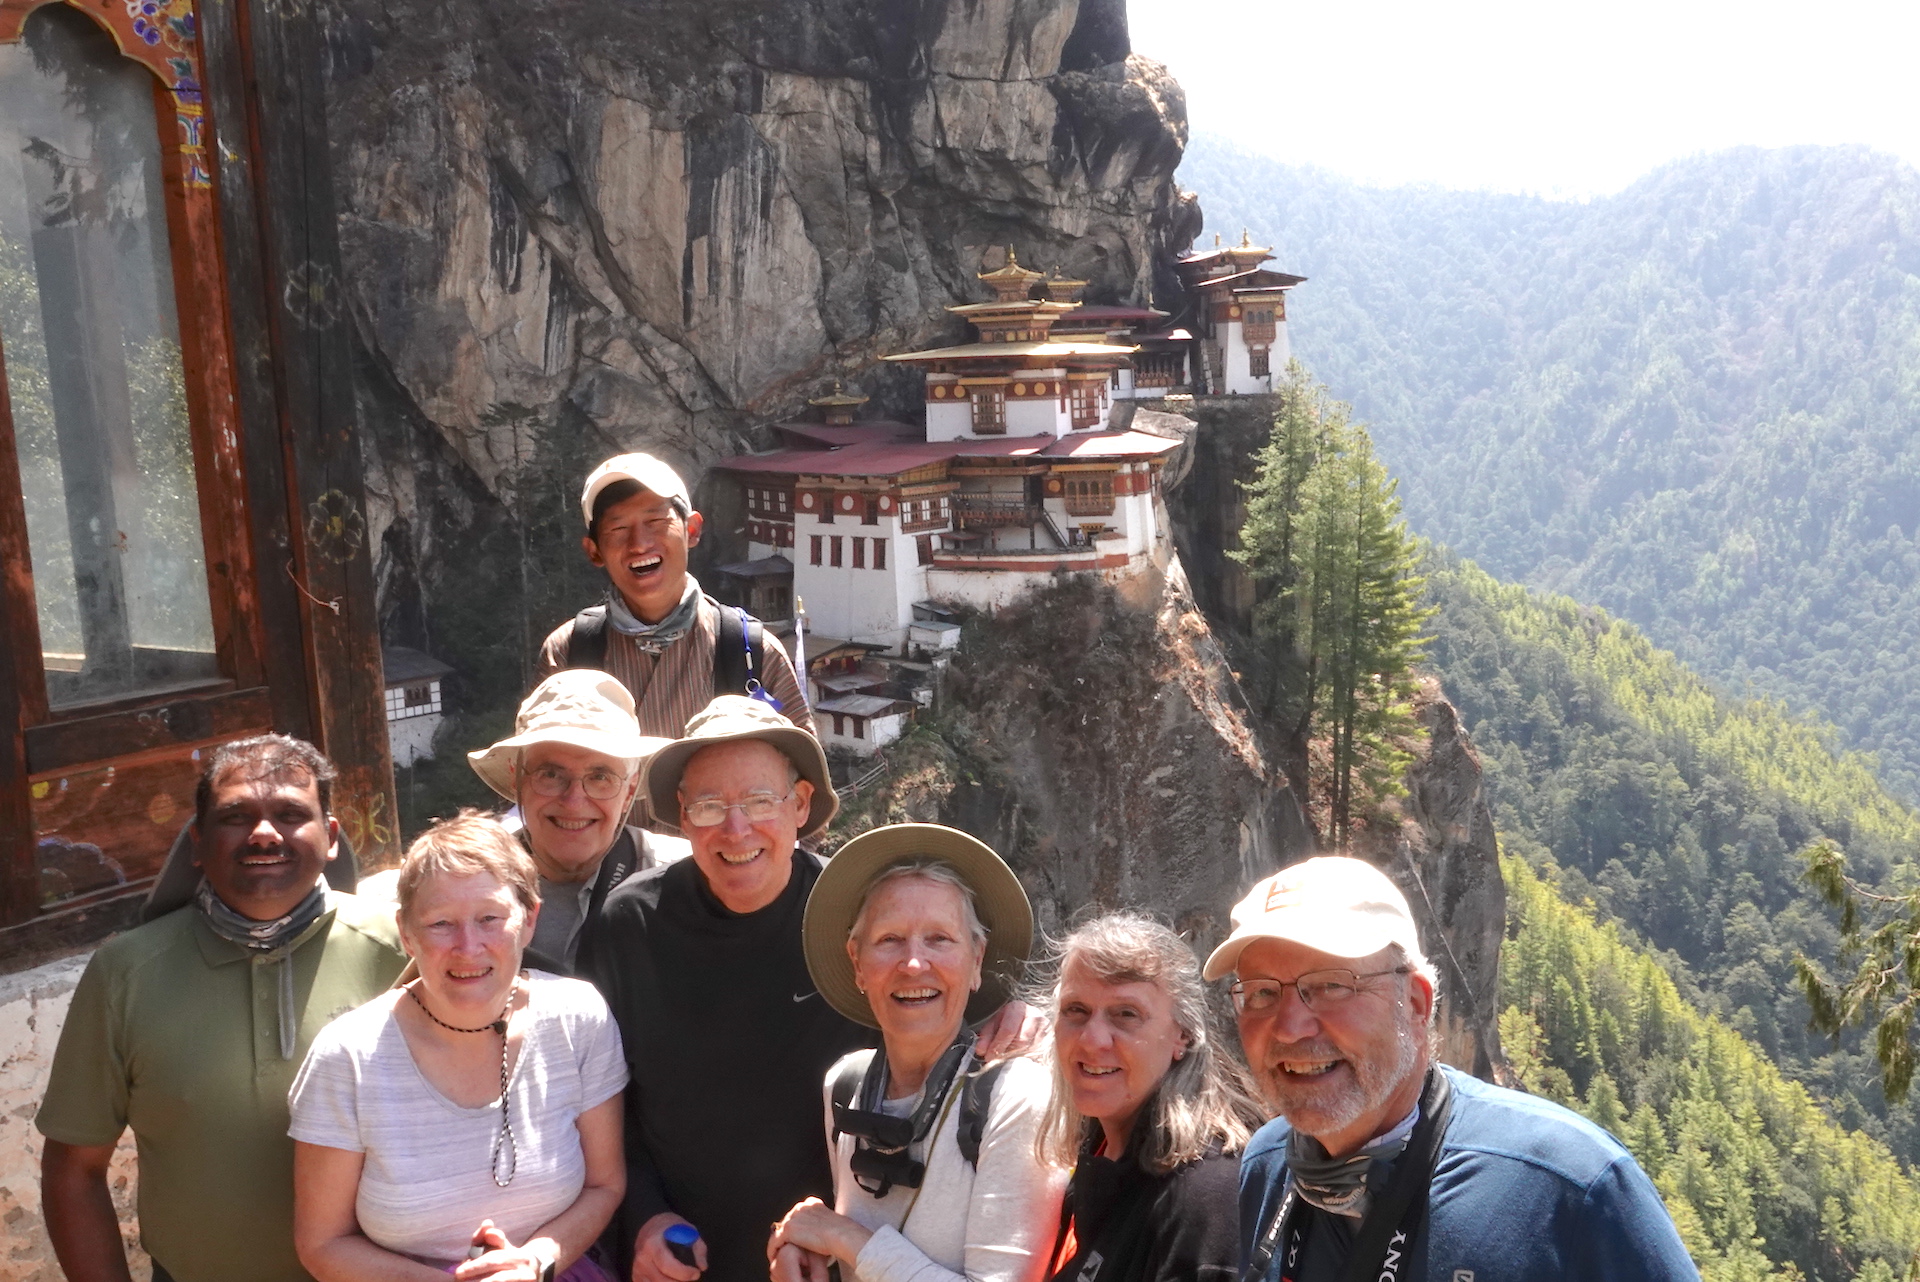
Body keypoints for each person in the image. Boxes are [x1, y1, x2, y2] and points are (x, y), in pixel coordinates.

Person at [588, 696, 1036, 1282]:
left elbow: (936, 1011)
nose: (735, 827)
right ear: (682, 813)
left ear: (800, 805)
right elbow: (602, 1103)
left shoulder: (853, 922)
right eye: (709, 805)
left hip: (827, 1257)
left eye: (758, 801)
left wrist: (1017, 1013)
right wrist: (644, 1218)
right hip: (677, 1259)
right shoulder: (631, 924)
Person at [1210, 856, 1699, 1282]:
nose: (1290, 1027)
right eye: (1261, 993)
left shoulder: (1568, 1184)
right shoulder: (1268, 1165)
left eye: (1332, 985)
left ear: (1417, 1004)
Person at [37, 735, 408, 1282]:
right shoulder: (126, 973)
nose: (263, 833)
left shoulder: (404, 953)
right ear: (196, 842)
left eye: (289, 813)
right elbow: (74, 1171)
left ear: (331, 838)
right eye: (236, 816)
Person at [290, 811, 627, 1281]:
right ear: (406, 933)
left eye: (490, 918)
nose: (468, 946)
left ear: (529, 920)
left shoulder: (578, 1019)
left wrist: (534, 1262)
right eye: (441, 923)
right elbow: (322, 1243)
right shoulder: (347, 1058)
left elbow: (605, 1184)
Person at [769, 824, 1065, 1282]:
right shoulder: (846, 1086)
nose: (912, 963)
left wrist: (842, 1238)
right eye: (889, 940)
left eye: (939, 939)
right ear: (857, 963)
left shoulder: (1017, 1098)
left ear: (977, 960)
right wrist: (806, 1244)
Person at [1036, 913, 1266, 1282]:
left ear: (1184, 1035)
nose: (1092, 1040)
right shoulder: (1101, 1149)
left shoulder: (1206, 1196)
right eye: (1075, 1011)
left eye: (1126, 1014)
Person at [536, 453, 806, 748]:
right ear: (594, 550)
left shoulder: (751, 652)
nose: (639, 543)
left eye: (655, 521)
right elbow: (544, 773)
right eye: (618, 528)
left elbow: (804, 779)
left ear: (692, 530)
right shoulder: (568, 653)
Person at [467, 668, 689, 975]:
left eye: (600, 777)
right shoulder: (467, 887)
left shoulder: (685, 879)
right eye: (551, 775)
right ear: (517, 779)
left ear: (630, 790)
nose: (574, 801)